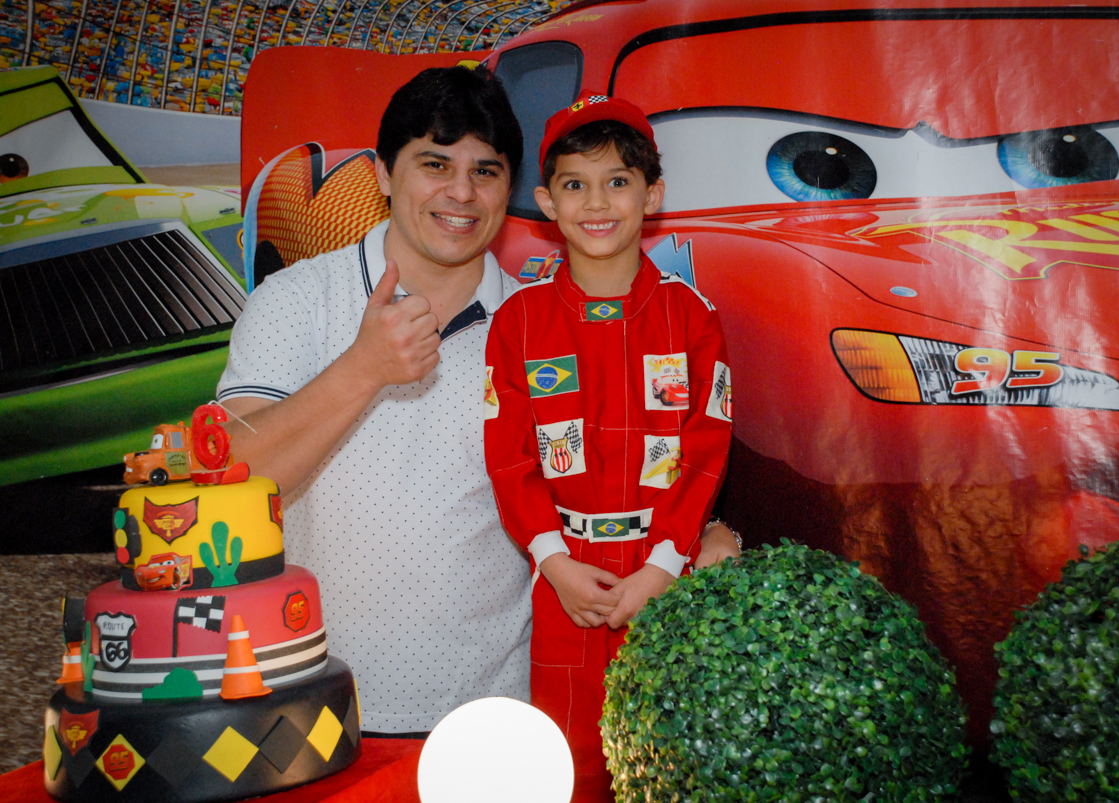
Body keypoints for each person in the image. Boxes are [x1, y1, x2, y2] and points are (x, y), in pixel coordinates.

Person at [215, 67, 739, 737]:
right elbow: (223, 473)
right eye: (434, 164)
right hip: (317, 709)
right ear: (381, 174)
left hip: (497, 718)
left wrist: (704, 542)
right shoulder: (295, 300)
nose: (460, 192)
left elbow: (657, 453)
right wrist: (364, 368)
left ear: (516, 192)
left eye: (486, 172)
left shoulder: (538, 322)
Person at [483, 93, 733, 802]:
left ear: (652, 195)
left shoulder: (693, 317)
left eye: (618, 181)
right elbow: (509, 458)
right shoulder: (519, 321)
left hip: (666, 586)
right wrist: (553, 562)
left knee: (671, 765)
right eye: (575, 183)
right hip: (565, 585)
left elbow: (705, 452)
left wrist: (661, 568)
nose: (597, 202)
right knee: (568, 771)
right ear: (546, 201)